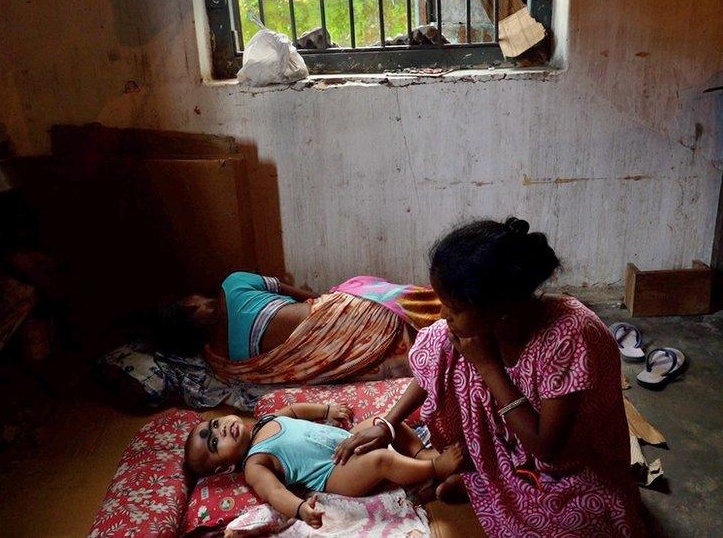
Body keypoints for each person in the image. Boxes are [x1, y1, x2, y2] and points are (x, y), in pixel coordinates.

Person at [332, 218, 645, 536]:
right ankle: (489, 479)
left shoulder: (569, 335)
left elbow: (547, 448)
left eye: (453, 307)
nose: (443, 315)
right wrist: (388, 424)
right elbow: (431, 365)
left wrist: (488, 367)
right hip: (507, 452)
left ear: (501, 305)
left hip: (572, 466)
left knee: (582, 523)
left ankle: (490, 483)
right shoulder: (479, 327)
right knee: (446, 351)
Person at [184, 403, 463, 529]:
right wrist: (300, 509)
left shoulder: (266, 419)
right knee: (382, 460)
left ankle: (419, 452)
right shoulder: (255, 463)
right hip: (337, 473)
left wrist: (326, 411)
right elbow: (273, 493)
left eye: (215, 424)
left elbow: (294, 411)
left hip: (348, 440)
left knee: (382, 422)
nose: (221, 430)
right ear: (223, 469)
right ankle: (434, 468)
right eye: (214, 443)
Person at [156, 272, 442, 385]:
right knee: (367, 289)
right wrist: (321, 300)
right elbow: (283, 288)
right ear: (190, 306)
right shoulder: (232, 285)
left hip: (334, 357)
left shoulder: (221, 361)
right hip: (353, 317)